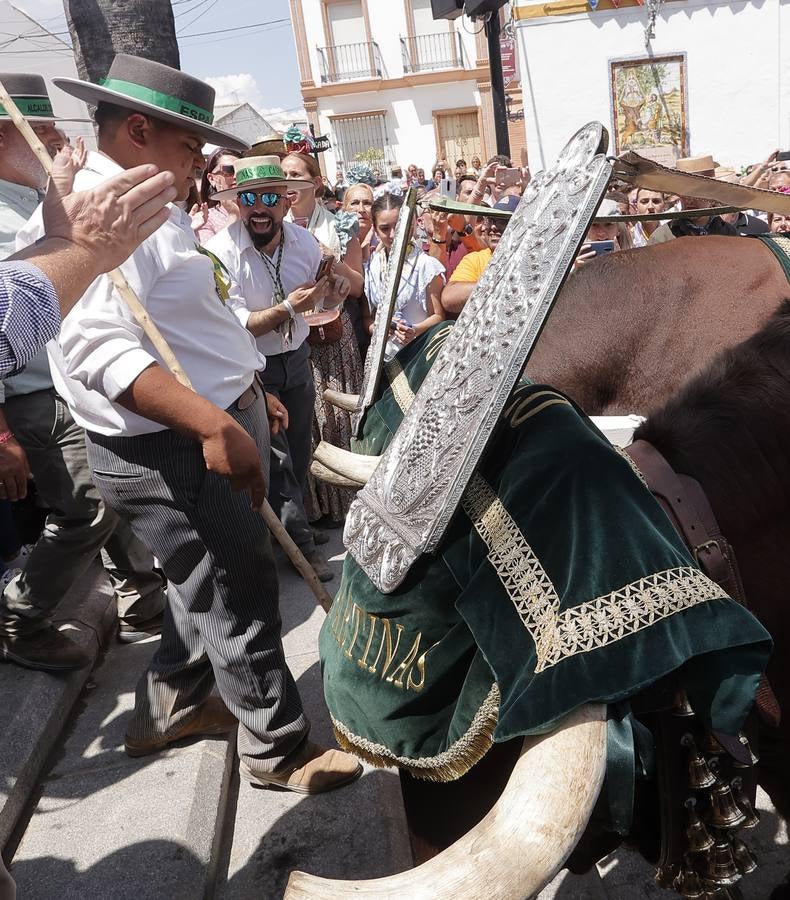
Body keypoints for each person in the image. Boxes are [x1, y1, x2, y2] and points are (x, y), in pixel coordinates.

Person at [18, 54, 361, 792]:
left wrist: (243, 384)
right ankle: (276, 751)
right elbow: (100, 349)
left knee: (196, 581)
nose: (200, 163)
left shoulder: (146, 203)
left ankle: (170, 703)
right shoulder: (93, 212)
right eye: (188, 146)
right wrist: (212, 422)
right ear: (139, 129)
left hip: (207, 421)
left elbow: (188, 313)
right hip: (168, 447)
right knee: (238, 588)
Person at [0, 78, 170, 669]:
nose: (55, 140)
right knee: (88, 506)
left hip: (75, 381)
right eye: (39, 131)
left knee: (112, 487)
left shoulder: (44, 194)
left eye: (51, 128)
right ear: (4, 137)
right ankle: (21, 616)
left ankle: (141, 598)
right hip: (30, 391)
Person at [207, 154, 351, 577]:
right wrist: (289, 307)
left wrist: (335, 291)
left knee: (300, 451)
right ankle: (301, 550)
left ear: (286, 202)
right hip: (250, 367)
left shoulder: (305, 243)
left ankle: (294, 527)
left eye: (269, 197)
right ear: (237, 203)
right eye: (248, 198)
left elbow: (323, 302)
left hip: (297, 360)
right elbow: (236, 327)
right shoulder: (220, 252)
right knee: (278, 459)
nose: (259, 207)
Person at [0, 155, 176, 374]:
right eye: (41, 129)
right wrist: (78, 247)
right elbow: (95, 345)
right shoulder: (91, 191)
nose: (56, 139)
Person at [279, 150, 365, 525]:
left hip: (333, 333)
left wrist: (331, 258)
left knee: (335, 419)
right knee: (304, 423)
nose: (287, 185)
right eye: (282, 176)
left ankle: (346, 506)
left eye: (295, 175)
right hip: (292, 335)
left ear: (314, 183)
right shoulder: (271, 228)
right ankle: (312, 510)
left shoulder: (340, 225)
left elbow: (359, 287)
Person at [365, 192, 445, 361]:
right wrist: (380, 329)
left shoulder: (426, 265)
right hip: (381, 358)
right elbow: (368, 318)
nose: (393, 235)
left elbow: (438, 316)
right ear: (375, 229)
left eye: (399, 226)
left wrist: (414, 330)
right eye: (385, 228)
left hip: (418, 354)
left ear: (412, 225)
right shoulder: (372, 265)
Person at [440, 196, 517, 316]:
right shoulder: (475, 259)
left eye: (502, 221)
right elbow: (449, 298)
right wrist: (499, 284)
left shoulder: (530, 256)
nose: (493, 227)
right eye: (491, 220)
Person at [649, 155, 737, 243]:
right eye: (684, 193)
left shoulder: (728, 233)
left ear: (711, 194)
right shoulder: (663, 237)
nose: (689, 200)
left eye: (696, 193)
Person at [192, 146, 241, 243]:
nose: (236, 176)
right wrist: (233, 216)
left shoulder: (257, 209)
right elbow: (210, 255)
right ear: (211, 178)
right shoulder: (205, 219)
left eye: (241, 170)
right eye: (229, 170)